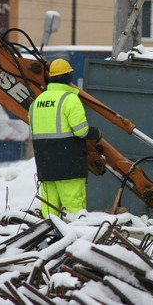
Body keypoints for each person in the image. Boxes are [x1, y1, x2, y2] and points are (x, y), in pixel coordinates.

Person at [28, 58, 101, 219]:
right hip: (69, 165)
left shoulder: (36, 102)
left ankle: (51, 239)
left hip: (45, 165)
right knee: (74, 210)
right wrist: (97, 133)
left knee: (49, 211)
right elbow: (81, 132)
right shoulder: (69, 99)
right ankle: (73, 243)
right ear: (69, 77)